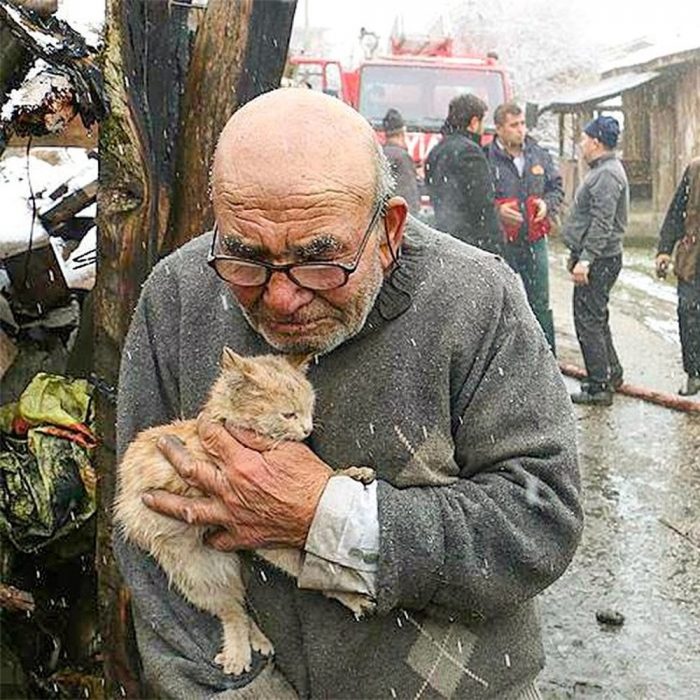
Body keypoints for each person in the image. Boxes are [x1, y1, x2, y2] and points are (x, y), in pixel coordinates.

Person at [115, 88, 582, 699]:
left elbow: (540, 520)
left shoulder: (477, 299)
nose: (281, 299)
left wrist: (327, 517)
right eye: (246, 257)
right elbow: (145, 543)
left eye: (320, 259)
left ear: (387, 231)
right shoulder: (177, 294)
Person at [485, 103, 564, 353]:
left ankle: (547, 358)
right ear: (498, 129)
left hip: (534, 240)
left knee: (539, 302)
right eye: (514, 125)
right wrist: (497, 211)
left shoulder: (538, 154)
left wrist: (547, 204)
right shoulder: (486, 158)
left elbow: (556, 188)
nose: (521, 130)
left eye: (522, 124)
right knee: (500, 303)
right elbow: (477, 199)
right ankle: (506, 358)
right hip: (502, 243)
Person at [562, 115, 629, 406]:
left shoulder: (607, 175)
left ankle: (599, 386)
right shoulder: (604, 170)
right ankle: (610, 372)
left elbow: (603, 222)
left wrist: (586, 259)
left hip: (600, 258)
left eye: (585, 139)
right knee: (596, 317)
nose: (581, 144)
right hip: (599, 256)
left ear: (597, 142)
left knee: (587, 320)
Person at [425, 93, 503, 255]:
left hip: (444, 239)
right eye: (482, 122)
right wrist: (496, 247)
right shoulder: (471, 153)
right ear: (474, 123)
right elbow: (482, 205)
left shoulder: (436, 151)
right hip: (470, 244)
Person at [655, 157, 700, 396]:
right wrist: (664, 249)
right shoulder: (694, 170)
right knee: (687, 311)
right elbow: (675, 213)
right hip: (692, 258)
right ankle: (694, 373)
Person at [381, 108, 421, 215]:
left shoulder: (379, 154)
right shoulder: (403, 157)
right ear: (402, 133)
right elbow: (409, 196)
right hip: (399, 218)